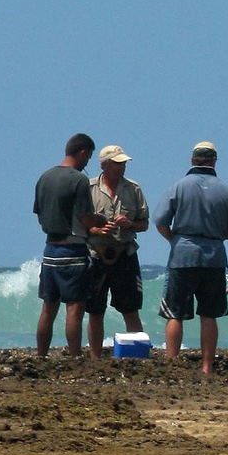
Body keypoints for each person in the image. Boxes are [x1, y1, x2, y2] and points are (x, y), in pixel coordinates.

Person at [152, 142, 228, 374]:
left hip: (183, 253)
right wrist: (216, 235)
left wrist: (174, 239)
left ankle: (172, 363)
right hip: (213, 256)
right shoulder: (227, 191)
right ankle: (207, 366)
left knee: (175, 313)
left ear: (193, 160)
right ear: (214, 161)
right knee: (209, 314)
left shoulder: (178, 187)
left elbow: (160, 221)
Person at [32, 133, 106, 357]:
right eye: (89, 157)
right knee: (75, 308)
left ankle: (42, 355)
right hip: (73, 250)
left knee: (48, 308)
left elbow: (38, 212)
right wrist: (99, 220)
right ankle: (74, 356)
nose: (87, 162)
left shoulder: (45, 177)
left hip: (50, 250)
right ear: (82, 152)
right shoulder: (78, 179)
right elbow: (85, 218)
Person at [87, 144, 150, 357]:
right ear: (104, 165)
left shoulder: (133, 189)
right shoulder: (89, 188)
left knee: (130, 309)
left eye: (123, 163)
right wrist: (96, 229)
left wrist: (130, 224)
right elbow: (79, 223)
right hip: (97, 255)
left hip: (125, 254)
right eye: (117, 163)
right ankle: (95, 356)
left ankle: (137, 355)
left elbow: (144, 224)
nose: (122, 167)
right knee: (95, 310)